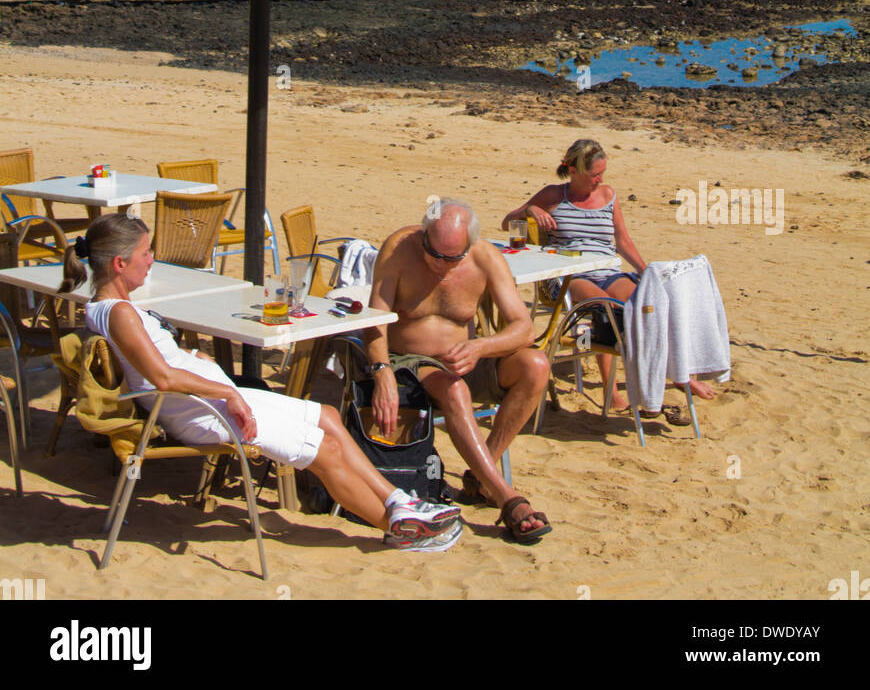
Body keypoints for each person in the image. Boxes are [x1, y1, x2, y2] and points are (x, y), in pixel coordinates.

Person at [59, 214, 461, 552]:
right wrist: (226, 392)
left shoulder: (110, 309)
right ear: (118, 264)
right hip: (200, 412)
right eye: (145, 253)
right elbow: (161, 377)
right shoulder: (120, 314)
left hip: (206, 398)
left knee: (326, 416)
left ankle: (399, 502)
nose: (151, 260)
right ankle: (400, 532)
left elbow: (161, 362)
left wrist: (198, 360)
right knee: (325, 450)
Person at [367, 197, 552, 544]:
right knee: (455, 389)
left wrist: (480, 346)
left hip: (465, 358)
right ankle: (507, 497)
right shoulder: (399, 249)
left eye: (450, 258)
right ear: (423, 234)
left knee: (536, 366)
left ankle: (481, 476)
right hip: (411, 362)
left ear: (468, 245)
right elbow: (375, 321)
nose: (438, 264)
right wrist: (381, 371)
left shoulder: (485, 258)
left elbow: (524, 327)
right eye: (431, 252)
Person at [502, 138, 715, 412]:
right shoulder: (553, 195)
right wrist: (530, 209)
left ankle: (681, 375)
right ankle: (610, 391)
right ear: (574, 171)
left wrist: (647, 272)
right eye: (594, 175)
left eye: (602, 173)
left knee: (651, 305)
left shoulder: (608, 195)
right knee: (606, 310)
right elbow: (507, 222)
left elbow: (623, 241)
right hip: (570, 274)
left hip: (608, 270)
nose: (599, 179)